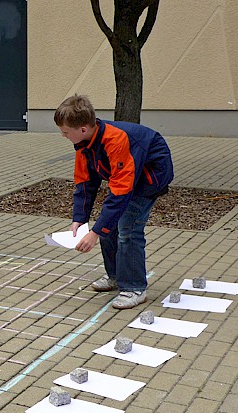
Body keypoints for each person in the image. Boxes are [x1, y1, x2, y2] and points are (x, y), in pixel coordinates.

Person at [54, 94, 174, 309]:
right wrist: (79, 219)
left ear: (82, 128)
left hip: (149, 178)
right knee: (108, 226)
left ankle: (135, 288)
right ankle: (116, 277)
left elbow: (121, 192)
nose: (63, 136)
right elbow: (84, 182)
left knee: (128, 228)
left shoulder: (116, 140)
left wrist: (95, 232)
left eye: (65, 132)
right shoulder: (84, 143)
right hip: (126, 179)